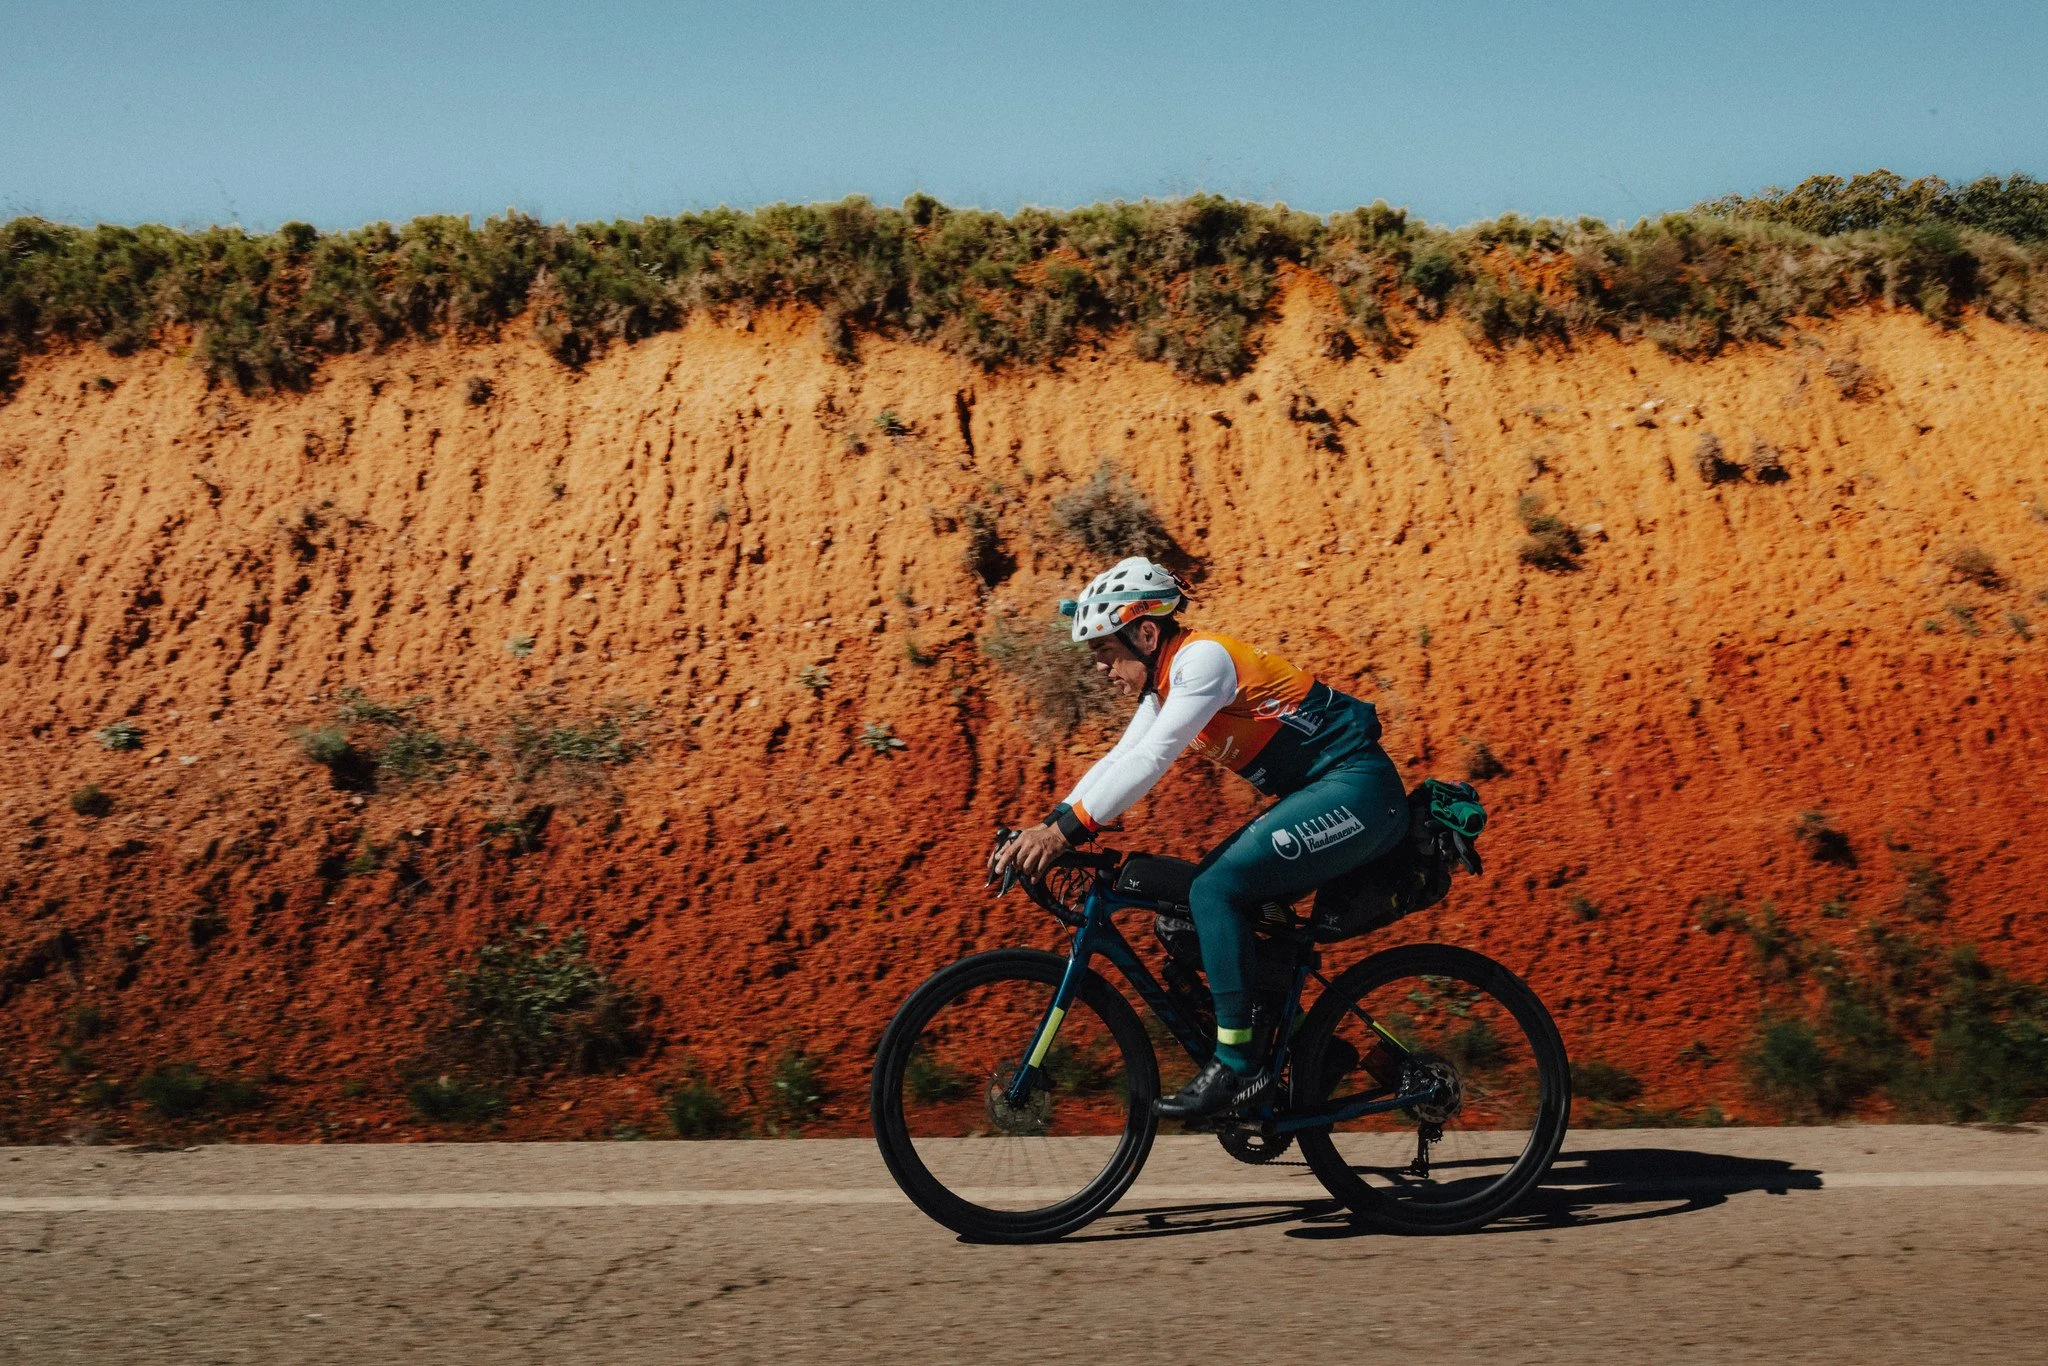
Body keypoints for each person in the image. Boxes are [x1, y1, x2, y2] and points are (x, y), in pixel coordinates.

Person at [990, 556, 1410, 1119]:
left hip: (1358, 789)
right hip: (1324, 795)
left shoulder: (1202, 660)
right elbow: (1123, 756)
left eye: (1106, 653)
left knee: (1215, 892)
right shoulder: (1164, 688)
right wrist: (1048, 826)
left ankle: (1235, 1065)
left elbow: (1155, 758)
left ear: (1145, 633)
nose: (1100, 670)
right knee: (1184, 918)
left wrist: (1065, 834)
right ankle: (1320, 1051)